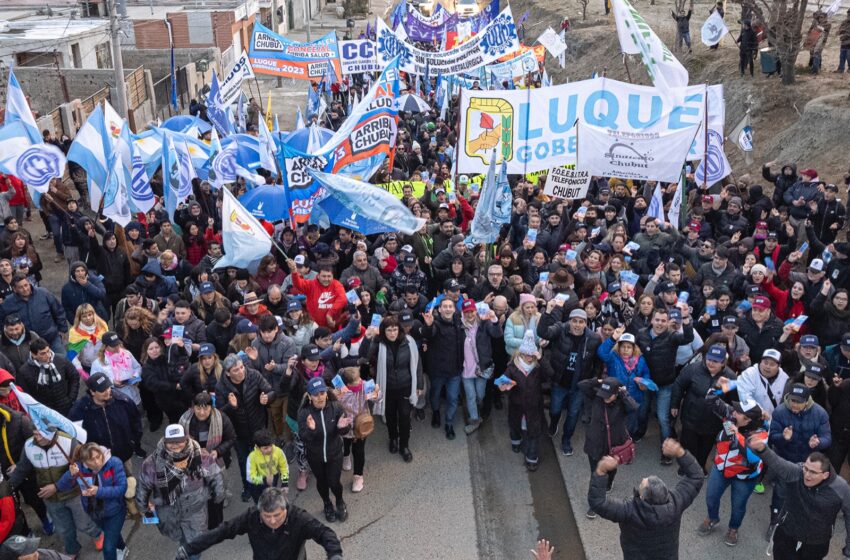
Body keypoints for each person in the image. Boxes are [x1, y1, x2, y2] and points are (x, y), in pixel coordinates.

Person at [588, 439, 704, 559]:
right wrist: (680, 452)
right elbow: (696, 477)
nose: (643, 478)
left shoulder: (630, 511)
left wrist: (601, 471)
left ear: (643, 497)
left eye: (641, 486)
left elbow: (597, 503)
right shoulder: (676, 503)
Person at [747, 434, 850, 560]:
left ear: (825, 475)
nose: (807, 475)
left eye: (813, 472)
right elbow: (778, 463)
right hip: (787, 533)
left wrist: (848, 550)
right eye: (806, 468)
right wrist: (762, 449)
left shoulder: (841, 488)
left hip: (817, 542)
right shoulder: (797, 472)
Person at [8, 429, 103, 558]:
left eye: (42, 433)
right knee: (63, 529)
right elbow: (22, 469)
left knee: (83, 522)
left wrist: (56, 486)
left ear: (53, 431)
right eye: (35, 434)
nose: (39, 438)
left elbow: (80, 467)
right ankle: (72, 549)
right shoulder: (28, 445)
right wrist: (7, 489)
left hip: (74, 493)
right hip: (51, 498)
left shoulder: (69, 441)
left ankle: (97, 534)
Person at [175, 487, 343, 560]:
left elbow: (324, 533)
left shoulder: (299, 519)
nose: (272, 520)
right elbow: (222, 531)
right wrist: (190, 548)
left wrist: (334, 554)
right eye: (266, 516)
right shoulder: (251, 517)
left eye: (277, 515)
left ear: (286, 509)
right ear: (259, 510)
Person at [137, 424, 225, 560]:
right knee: (180, 538)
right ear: (165, 442)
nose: (175, 445)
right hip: (168, 511)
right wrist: (142, 506)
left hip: (195, 510)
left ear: (186, 439)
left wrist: (219, 495)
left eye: (179, 441)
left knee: (195, 545)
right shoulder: (152, 462)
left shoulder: (200, 455)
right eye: (171, 442)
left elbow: (215, 476)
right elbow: (143, 485)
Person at [698, 395, 769, 546]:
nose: (733, 412)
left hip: (745, 476)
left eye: (738, 411)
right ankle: (712, 518)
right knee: (711, 496)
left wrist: (734, 433)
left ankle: (733, 529)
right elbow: (710, 399)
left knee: (738, 506)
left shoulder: (761, 434)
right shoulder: (733, 415)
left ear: (748, 419)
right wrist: (723, 386)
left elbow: (752, 457)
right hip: (721, 468)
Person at [767, 382, 833, 536]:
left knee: (805, 497)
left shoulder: (820, 413)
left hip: (808, 463)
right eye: (792, 400)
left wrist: (818, 442)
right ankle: (774, 523)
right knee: (780, 493)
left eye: (799, 401)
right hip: (786, 460)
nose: (794, 404)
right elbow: (772, 437)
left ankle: (800, 525)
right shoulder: (780, 411)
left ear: (807, 400)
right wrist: (783, 438)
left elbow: (827, 437)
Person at [538, 304, 602, 456]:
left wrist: (591, 380)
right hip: (559, 381)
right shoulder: (561, 329)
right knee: (554, 409)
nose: (577, 325)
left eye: (581, 322)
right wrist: (547, 312)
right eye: (575, 321)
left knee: (573, 414)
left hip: (579, 385)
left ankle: (566, 440)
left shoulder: (593, 338)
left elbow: (598, 363)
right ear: (570, 321)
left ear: (586, 323)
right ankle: (554, 424)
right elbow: (542, 332)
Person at [363, 315, 421, 464]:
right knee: (389, 416)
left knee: (404, 416)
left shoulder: (409, 342)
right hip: (386, 387)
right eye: (389, 330)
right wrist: (369, 338)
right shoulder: (378, 343)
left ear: (399, 329)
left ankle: (404, 446)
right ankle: (393, 438)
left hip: (405, 385)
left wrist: (419, 385)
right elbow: (364, 357)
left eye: (395, 329)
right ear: (383, 331)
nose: (392, 333)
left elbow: (417, 364)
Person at [56, 443, 128, 560]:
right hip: (94, 512)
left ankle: (118, 549)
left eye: (98, 456)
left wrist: (98, 491)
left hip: (115, 511)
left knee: (108, 547)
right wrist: (70, 475)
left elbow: (121, 489)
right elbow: (61, 487)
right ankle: (122, 548)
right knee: (112, 533)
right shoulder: (79, 468)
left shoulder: (114, 463)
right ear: (84, 461)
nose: (97, 462)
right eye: (91, 460)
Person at [216, 354, 273, 502]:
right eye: (236, 370)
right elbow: (219, 413)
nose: (241, 371)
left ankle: (266, 486)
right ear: (228, 373)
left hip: (258, 427)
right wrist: (231, 406)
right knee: (244, 461)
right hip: (238, 432)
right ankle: (247, 487)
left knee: (263, 459)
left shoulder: (254, 375)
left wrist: (267, 398)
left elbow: (270, 390)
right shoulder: (221, 386)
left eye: (242, 367)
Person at [579, 377, 638, 519]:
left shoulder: (621, 402)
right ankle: (594, 504)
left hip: (614, 444)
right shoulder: (597, 397)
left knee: (611, 469)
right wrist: (597, 381)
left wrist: (624, 394)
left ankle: (608, 483)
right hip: (595, 442)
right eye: (603, 394)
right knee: (596, 473)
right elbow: (581, 385)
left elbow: (634, 407)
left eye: (608, 395)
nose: (604, 398)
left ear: (616, 394)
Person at [179, 391, 235, 529]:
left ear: (212, 407)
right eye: (198, 408)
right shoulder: (185, 420)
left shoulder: (221, 418)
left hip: (217, 460)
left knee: (220, 483)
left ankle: (220, 501)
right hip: (193, 461)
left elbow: (231, 438)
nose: (202, 412)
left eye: (206, 408)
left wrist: (217, 451)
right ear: (193, 408)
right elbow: (178, 443)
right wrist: (194, 451)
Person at [298, 377, 351, 523]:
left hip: (334, 453)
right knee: (322, 482)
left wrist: (343, 427)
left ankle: (340, 501)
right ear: (309, 396)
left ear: (326, 393)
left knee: (334, 482)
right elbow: (303, 438)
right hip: (315, 456)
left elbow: (345, 429)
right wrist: (311, 430)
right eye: (316, 394)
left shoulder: (336, 407)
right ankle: (327, 504)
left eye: (322, 393)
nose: (320, 397)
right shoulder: (304, 413)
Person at [500, 331, 553, 471]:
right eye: (527, 354)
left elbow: (550, 375)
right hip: (516, 406)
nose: (530, 357)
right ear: (521, 353)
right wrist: (503, 386)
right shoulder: (512, 367)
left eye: (532, 354)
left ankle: (531, 458)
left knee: (533, 433)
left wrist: (541, 359)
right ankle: (516, 442)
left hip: (534, 408)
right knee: (515, 426)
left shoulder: (538, 367)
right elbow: (504, 381)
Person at [69, 373, 143, 468]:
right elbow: (74, 433)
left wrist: (133, 442)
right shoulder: (80, 410)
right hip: (99, 461)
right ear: (92, 392)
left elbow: (136, 421)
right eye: (102, 390)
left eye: (108, 387)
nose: (108, 391)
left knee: (130, 480)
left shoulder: (123, 401)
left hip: (124, 456)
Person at [597, 329, 651, 441]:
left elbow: (646, 373)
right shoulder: (612, 357)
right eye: (623, 346)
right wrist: (613, 338)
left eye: (629, 347)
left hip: (634, 398)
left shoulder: (641, 360)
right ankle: (614, 443)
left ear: (633, 348)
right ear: (619, 347)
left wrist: (644, 382)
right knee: (615, 423)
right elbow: (601, 352)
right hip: (616, 398)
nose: (626, 350)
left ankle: (626, 443)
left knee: (630, 423)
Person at [422, 297, 465, 440]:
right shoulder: (435, 324)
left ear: (454, 309)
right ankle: (435, 412)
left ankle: (449, 423)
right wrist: (428, 325)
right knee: (435, 395)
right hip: (438, 370)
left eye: (450, 306)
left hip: (455, 370)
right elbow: (429, 334)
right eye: (444, 306)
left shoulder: (459, 323)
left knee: (452, 398)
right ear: (439, 310)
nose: (447, 309)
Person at [1, 274, 67, 354]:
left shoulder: (43, 293)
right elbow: (2, 322)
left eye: (26, 285)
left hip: (51, 337)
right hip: (27, 343)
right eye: (21, 287)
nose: (25, 289)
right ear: (15, 289)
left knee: (62, 360)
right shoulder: (8, 303)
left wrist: (62, 329)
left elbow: (58, 310)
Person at [17, 338, 79, 415]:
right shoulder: (24, 371)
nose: (48, 355)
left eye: (48, 351)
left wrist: (71, 398)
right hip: (45, 412)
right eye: (43, 353)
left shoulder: (61, 360)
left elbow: (74, 376)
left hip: (66, 406)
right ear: (33, 355)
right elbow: (26, 394)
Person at [246, 429, 289, 503]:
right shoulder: (252, 457)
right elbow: (250, 477)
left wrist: (285, 483)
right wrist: (264, 480)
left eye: (270, 446)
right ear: (258, 447)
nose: (269, 449)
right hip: (258, 484)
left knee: (272, 502)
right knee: (260, 505)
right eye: (265, 448)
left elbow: (284, 467)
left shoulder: (278, 451)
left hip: (273, 478)